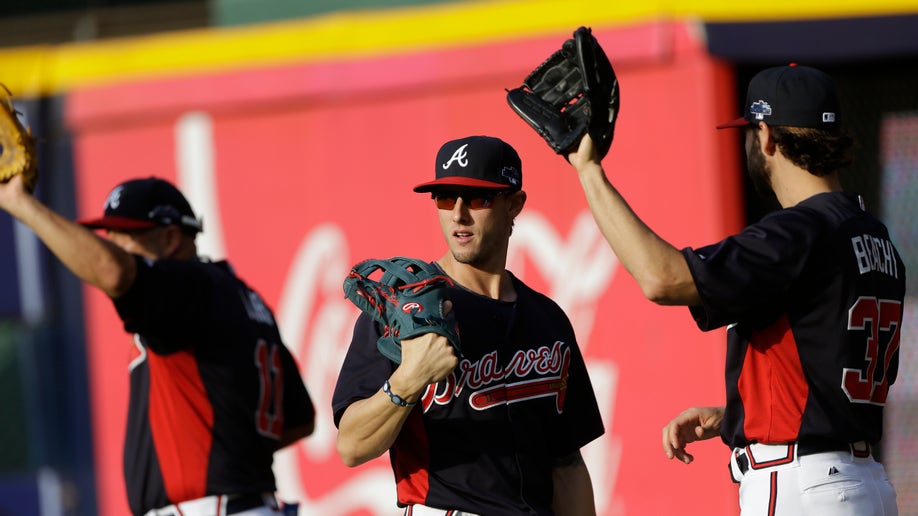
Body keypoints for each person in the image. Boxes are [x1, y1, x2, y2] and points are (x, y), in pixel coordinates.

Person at [566, 63, 904, 514]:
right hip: (865, 485)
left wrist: (588, 170)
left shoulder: (797, 231)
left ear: (766, 136)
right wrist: (738, 416)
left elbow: (662, 278)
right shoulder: (874, 235)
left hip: (804, 487)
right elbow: (827, 373)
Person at [0, 174, 316, 516]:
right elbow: (298, 418)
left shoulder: (188, 288)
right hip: (247, 503)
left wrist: (20, 202)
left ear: (170, 238)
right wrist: (230, 450)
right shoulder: (244, 300)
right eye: (109, 237)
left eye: (127, 238)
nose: (113, 248)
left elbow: (113, 272)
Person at [332, 135, 605, 515]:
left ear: (515, 205)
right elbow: (351, 446)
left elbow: (567, 462)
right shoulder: (405, 309)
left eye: (478, 198)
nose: (458, 214)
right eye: (445, 198)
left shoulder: (548, 319)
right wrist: (409, 379)